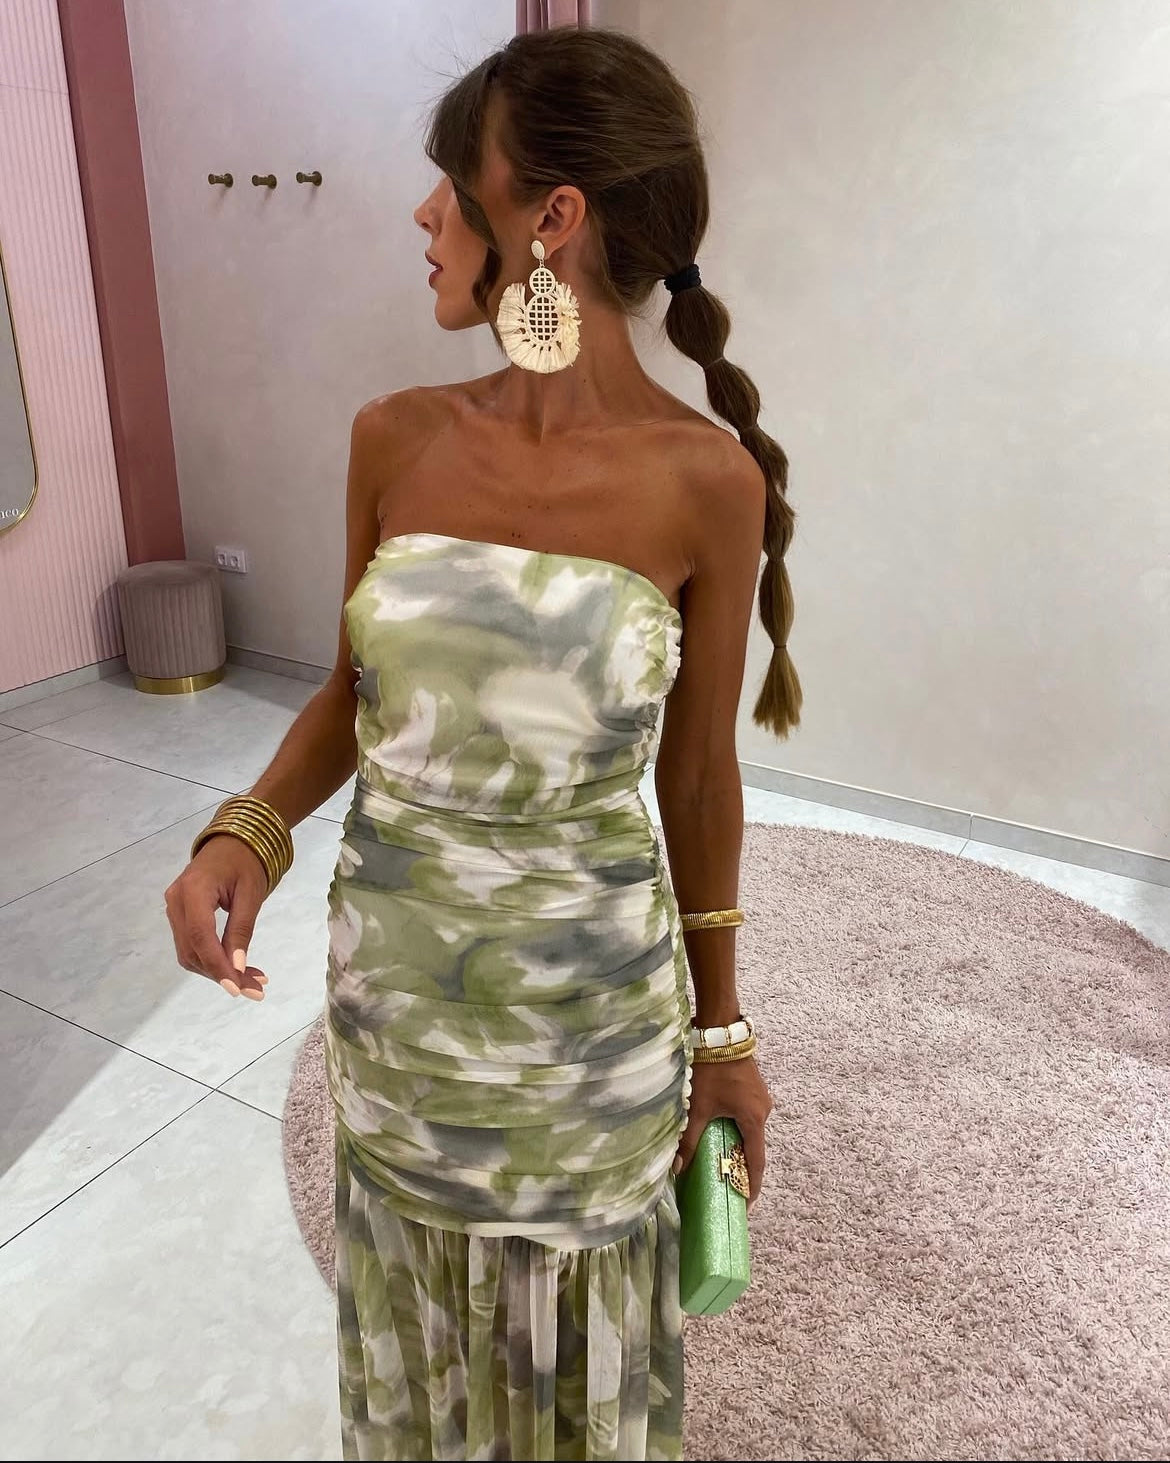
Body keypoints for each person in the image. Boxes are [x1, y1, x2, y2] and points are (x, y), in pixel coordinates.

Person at [165, 25, 801, 1462]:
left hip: (589, 1037)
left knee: (578, 1393)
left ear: (547, 219)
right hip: (397, 1010)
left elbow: (698, 778)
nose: (424, 214)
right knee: (419, 1371)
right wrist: (244, 830)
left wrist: (723, 1033)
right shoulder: (393, 436)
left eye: (454, 183)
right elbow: (352, 690)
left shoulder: (706, 482)